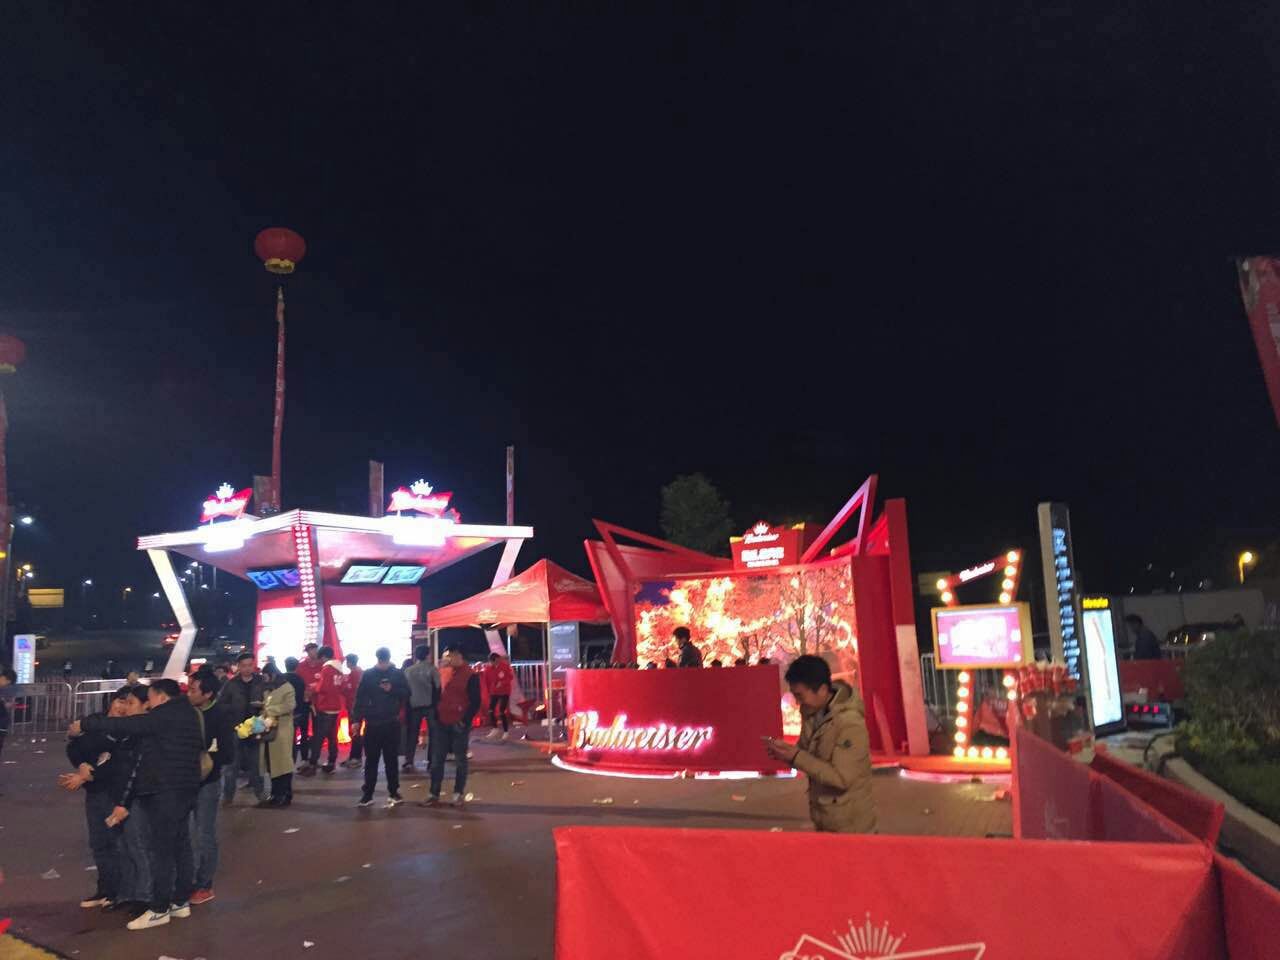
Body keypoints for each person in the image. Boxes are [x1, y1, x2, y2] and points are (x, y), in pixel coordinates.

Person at [75, 678, 203, 931]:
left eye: (150, 698)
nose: (149, 704)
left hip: (165, 790)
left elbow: (129, 725)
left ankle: (159, 908)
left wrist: (86, 723)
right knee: (180, 846)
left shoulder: (164, 715)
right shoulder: (187, 714)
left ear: (161, 697)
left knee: (162, 850)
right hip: (185, 788)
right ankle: (179, 901)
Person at [766, 655, 875, 834]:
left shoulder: (849, 724)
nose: (797, 702)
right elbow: (806, 754)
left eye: (800, 695)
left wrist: (796, 756)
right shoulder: (812, 712)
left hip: (851, 827)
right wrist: (785, 753)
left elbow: (841, 778)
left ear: (822, 689)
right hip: (825, 818)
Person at [61, 686, 132, 909]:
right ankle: (105, 889)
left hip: (113, 793)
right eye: (120, 701)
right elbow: (74, 747)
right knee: (98, 842)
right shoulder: (95, 722)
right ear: (111, 701)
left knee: (115, 842)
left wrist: (84, 776)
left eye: (128, 703)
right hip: (94, 792)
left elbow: (115, 763)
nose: (122, 708)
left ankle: (119, 892)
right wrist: (82, 766)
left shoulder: (127, 730)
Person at [186, 671, 234, 904]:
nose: (188, 693)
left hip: (207, 782)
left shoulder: (220, 715)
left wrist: (207, 758)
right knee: (185, 833)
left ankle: (204, 884)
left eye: (193, 690)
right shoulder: (185, 712)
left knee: (203, 833)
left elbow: (228, 753)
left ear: (208, 694)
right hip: (184, 782)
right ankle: (186, 879)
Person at [352, 647, 409, 808]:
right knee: (376, 760)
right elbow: (360, 698)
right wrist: (356, 720)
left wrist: (391, 689)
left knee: (385, 760)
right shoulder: (373, 674)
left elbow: (406, 693)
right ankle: (377, 793)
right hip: (378, 723)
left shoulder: (392, 674)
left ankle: (383, 793)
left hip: (386, 723)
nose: (384, 664)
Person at [426, 645, 480, 806]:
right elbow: (436, 695)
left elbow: (475, 701)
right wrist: (435, 716)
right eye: (446, 656)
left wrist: (464, 720)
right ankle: (433, 794)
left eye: (449, 656)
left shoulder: (471, 675)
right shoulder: (442, 672)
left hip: (459, 724)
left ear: (459, 656)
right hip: (441, 722)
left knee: (460, 760)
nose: (446, 659)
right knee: (437, 760)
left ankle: (458, 794)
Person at [216, 654, 267, 805]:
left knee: (256, 764)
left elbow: (269, 700)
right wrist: (234, 708)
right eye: (244, 665)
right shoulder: (231, 684)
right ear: (238, 666)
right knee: (232, 765)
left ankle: (260, 794)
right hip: (236, 728)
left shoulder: (261, 682)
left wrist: (262, 706)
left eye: (250, 665)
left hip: (256, 727)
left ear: (254, 665)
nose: (247, 668)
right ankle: (228, 796)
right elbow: (221, 704)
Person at [259, 661, 297, 806]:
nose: (264, 679)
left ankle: (284, 794)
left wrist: (269, 710)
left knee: (283, 765)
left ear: (273, 675)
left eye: (266, 676)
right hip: (269, 731)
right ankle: (276, 793)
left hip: (282, 731)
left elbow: (290, 705)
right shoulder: (267, 688)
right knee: (272, 765)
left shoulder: (287, 688)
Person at [306, 646, 346, 774]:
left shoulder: (327, 669)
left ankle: (312, 764)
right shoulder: (339, 668)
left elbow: (322, 688)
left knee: (319, 737)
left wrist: (314, 686)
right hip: (336, 706)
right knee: (332, 736)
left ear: (323, 656)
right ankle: (331, 762)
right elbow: (341, 687)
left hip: (326, 706)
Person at [403, 644, 439, 769]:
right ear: (428, 655)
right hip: (430, 706)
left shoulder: (408, 670)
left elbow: (405, 689)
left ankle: (409, 760)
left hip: (413, 706)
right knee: (433, 734)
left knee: (412, 734)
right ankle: (432, 761)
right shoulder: (432, 669)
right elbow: (438, 687)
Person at [294, 642, 323, 767]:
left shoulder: (322, 666)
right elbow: (297, 684)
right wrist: (304, 693)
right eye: (312, 650)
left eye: (316, 650)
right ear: (307, 652)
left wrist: (316, 688)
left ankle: (315, 758)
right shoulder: (301, 666)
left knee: (318, 731)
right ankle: (304, 758)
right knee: (304, 730)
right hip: (304, 702)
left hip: (318, 702)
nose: (315, 653)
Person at [281, 657, 308, 762]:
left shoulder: (281, 679)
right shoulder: (300, 680)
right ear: (297, 667)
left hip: (285, 712)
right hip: (299, 711)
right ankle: (297, 759)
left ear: (285, 665)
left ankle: (286, 760)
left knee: (287, 738)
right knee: (301, 735)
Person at [485, 652, 514, 741]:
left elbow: (510, 677)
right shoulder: (488, 669)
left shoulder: (505, 667)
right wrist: (489, 691)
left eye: (492, 661)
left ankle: (506, 731)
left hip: (505, 691)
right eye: (490, 662)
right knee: (491, 710)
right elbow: (487, 681)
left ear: (496, 660)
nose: (491, 663)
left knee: (502, 711)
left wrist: (502, 683)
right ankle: (495, 728)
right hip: (494, 692)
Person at [342, 653, 364, 768]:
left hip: (355, 708)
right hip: (355, 707)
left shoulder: (355, 674)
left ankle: (356, 758)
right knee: (354, 732)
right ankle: (353, 756)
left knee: (355, 732)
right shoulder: (358, 673)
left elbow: (349, 690)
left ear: (349, 662)